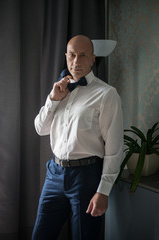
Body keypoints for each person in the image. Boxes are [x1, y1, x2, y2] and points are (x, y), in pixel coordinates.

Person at [32, 35, 123, 240]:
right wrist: (53, 100)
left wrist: (104, 191)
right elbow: (40, 128)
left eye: (82, 55)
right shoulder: (59, 90)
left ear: (92, 58)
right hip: (54, 174)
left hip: (87, 176)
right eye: (72, 55)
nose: (76, 61)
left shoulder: (106, 94)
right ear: (66, 56)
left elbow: (115, 147)